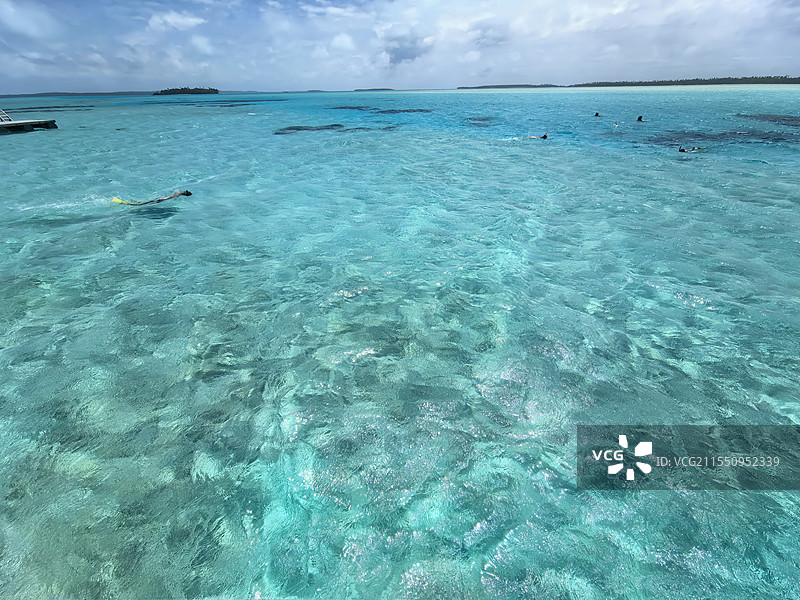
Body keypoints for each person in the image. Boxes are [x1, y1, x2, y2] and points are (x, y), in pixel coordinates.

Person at [113, 190, 192, 206]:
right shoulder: (177, 194)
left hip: (159, 199)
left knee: (142, 202)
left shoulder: (178, 193)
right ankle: (123, 202)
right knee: (140, 204)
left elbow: (175, 192)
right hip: (159, 200)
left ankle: (128, 201)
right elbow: (173, 196)